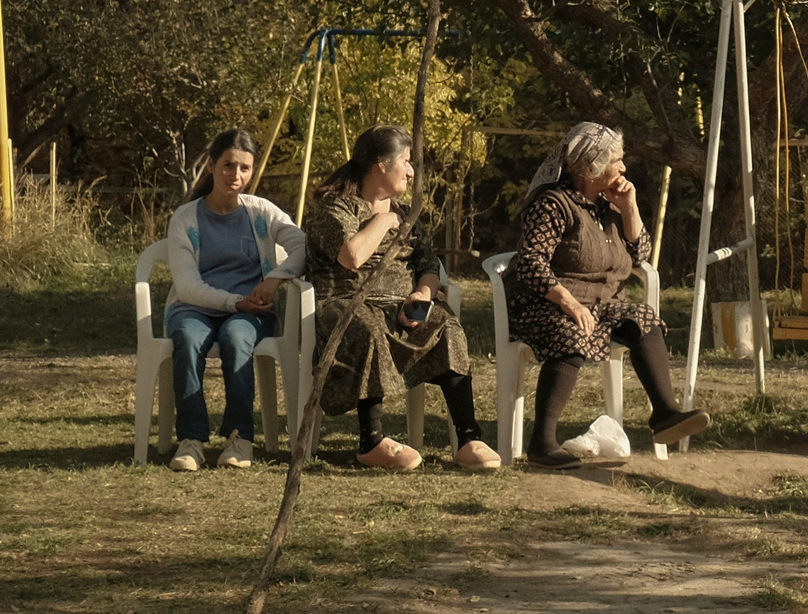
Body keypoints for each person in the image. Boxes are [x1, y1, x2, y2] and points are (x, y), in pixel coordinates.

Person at [503, 123, 712, 467]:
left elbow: (640, 254)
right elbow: (530, 263)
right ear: (591, 168)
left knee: (643, 318)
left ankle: (665, 413)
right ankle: (542, 443)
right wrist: (569, 303)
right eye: (617, 160)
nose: (624, 168)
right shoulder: (553, 205)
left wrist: (629, 207)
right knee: (572, 332)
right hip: (544, 303)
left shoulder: (607, 204)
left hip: (600, 303)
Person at [303, 125, 493, 472]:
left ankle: (468, 438)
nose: (411, 171)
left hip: (401, 304)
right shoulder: (334, 208)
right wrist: (385, 219)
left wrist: (422, 296)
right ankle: (371, 442)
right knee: (368, 328)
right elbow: (352, 256)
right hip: (345, 302)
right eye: (405, 161)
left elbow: (428, 265)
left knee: (448, 328)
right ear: (381, 164)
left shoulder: (409, 215)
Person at [163, 129, 306, 474]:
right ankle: (191, 439)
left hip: (251, 314)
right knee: (187, 337)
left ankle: (239, 438)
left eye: (244, 168)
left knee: (236, 337)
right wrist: (236, 302)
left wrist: (274, 279)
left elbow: (303, 246)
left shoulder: (261, 212)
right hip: (195, 309)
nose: (236, 175)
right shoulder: (185, 217)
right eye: (228, 165)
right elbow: (187, 287)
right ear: (211, 166)